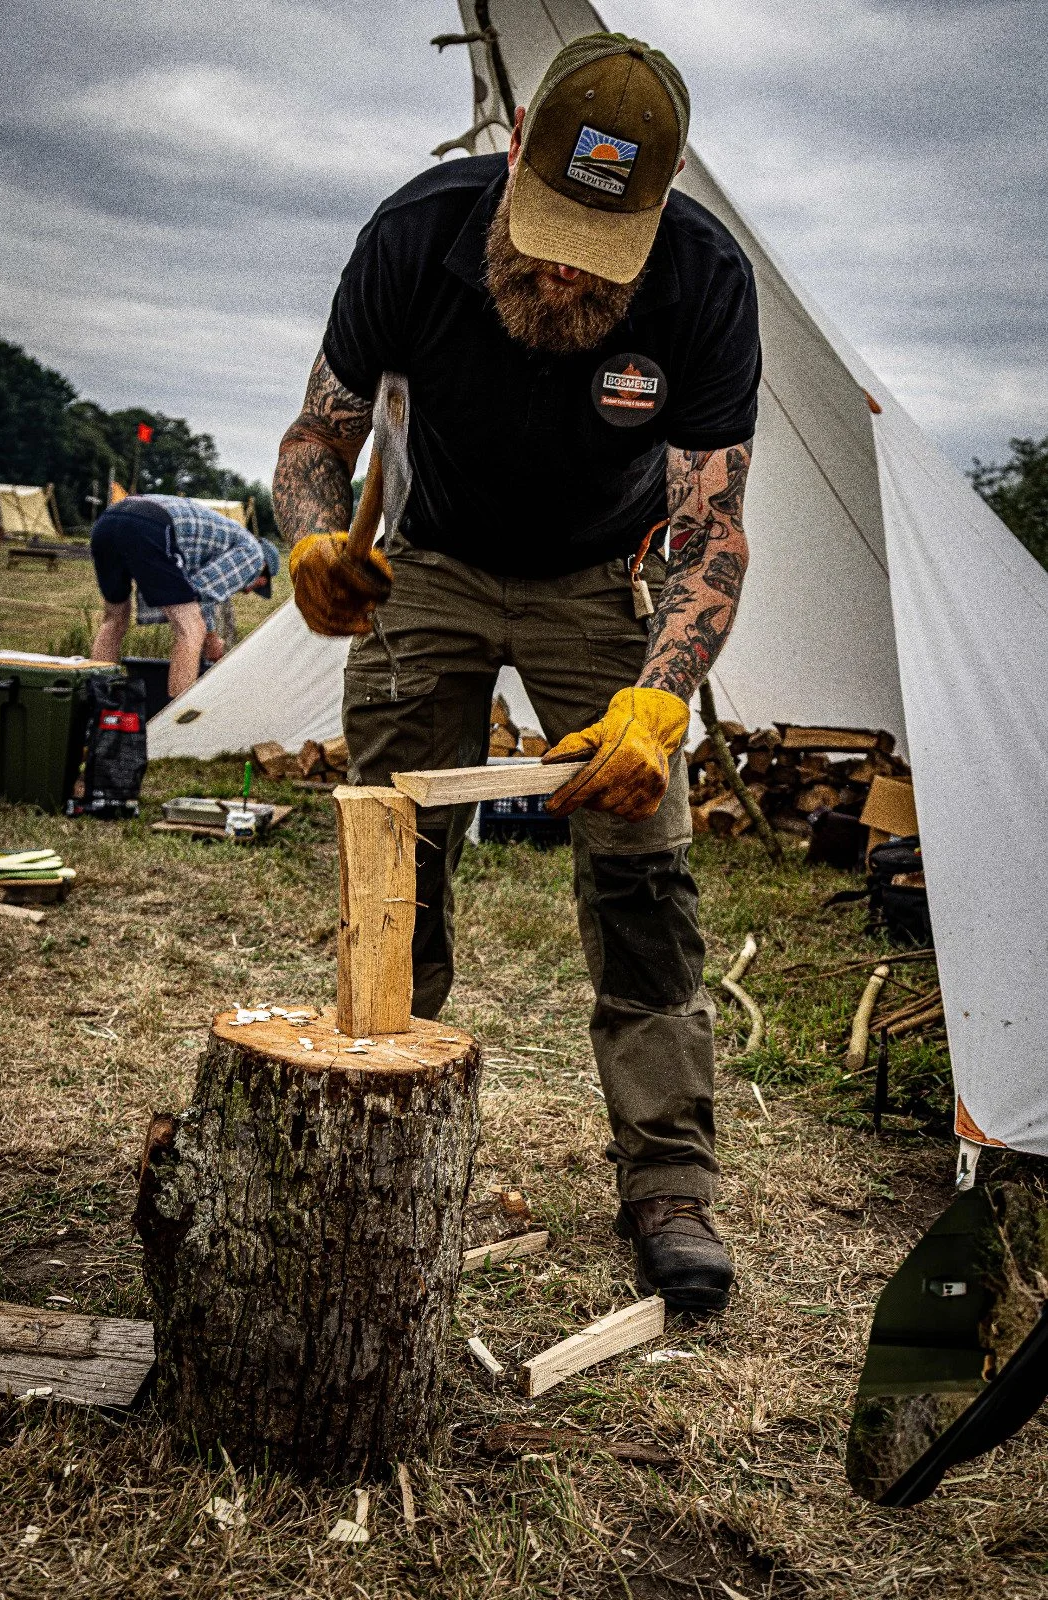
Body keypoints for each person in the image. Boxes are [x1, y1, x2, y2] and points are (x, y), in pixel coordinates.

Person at [273, 33, 760, 1313]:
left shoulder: (706, 281)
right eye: (544, 226)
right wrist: (314, 537)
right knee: (390, 843)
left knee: (643, 866)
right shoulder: (416, 234)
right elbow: (317, 431)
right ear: (517, 151)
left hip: (600, 576)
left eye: (596, 250)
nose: (559, 266)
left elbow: (709, 527)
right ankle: (369, 1119)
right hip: (426, 562)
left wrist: (659, 700)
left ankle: (668, 1182)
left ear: (653, 210)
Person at [89, 495, 280, 697]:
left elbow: (192, 593)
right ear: (264, 571)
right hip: (151, 524)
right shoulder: (254, 556)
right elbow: (200, 591)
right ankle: (175, 721)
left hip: (109, 520)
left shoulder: (227, 539)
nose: (249, 591)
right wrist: (211, 638)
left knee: (114, 620)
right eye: (260, 585)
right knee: (191, 629)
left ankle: (98, 702)